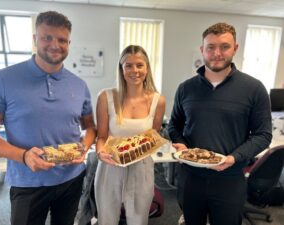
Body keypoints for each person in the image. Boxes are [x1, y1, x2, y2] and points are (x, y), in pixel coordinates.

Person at [0, 11, 96, 225]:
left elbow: (90, 127)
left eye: (62, 40)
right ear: (35, 39)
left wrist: (84, 146)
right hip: (27, 181)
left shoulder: (79, 85)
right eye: (47, 37)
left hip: (71, 179)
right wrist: (24, 156)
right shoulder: (2, 80)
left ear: (69, 42)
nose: (55, 45)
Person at [168, 22, 272, 225]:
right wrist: (180, 143)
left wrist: (234, 157)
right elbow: (174, 125)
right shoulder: (185, 88)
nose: (217, 53)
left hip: (230, 180)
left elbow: (263, 135)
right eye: (211, 47)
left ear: (235, 48)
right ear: (202, 50)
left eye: (224, 46)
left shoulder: (254, 88)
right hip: (191, 178)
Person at [94, 45, 165, 225]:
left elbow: (153, 136)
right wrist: (100, 152)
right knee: (107, 219)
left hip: (141, 167)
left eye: (139, 65)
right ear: (121, 69)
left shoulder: (158, 100)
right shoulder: (106, 97)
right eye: (129, 65)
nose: (135, 71)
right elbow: (101, 137)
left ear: (147, 68)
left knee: (139, 219)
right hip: (111, 165)